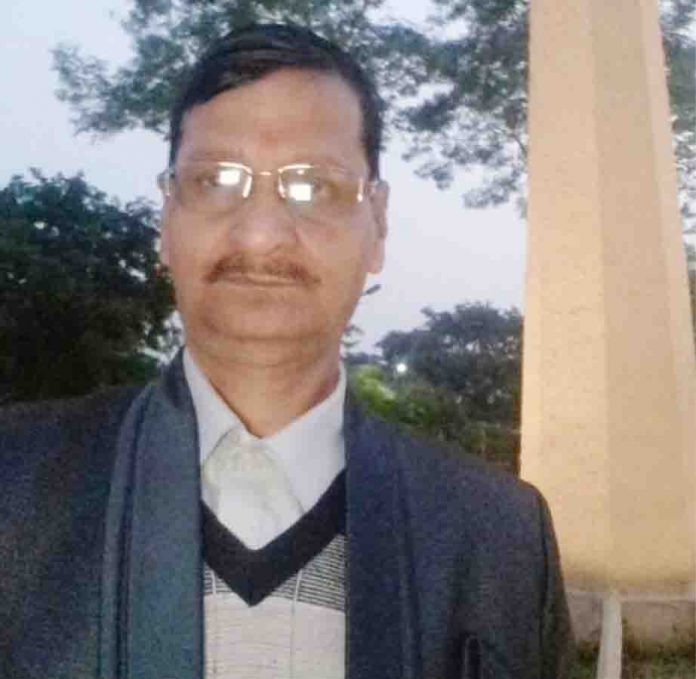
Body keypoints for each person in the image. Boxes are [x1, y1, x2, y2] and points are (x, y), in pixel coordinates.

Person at [0, 23, 573, 679]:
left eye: (314, 186)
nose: (262, 234)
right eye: (216, 180)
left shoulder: (497, 537)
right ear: (166, 221)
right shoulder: (16, 486)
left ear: (378, 226)